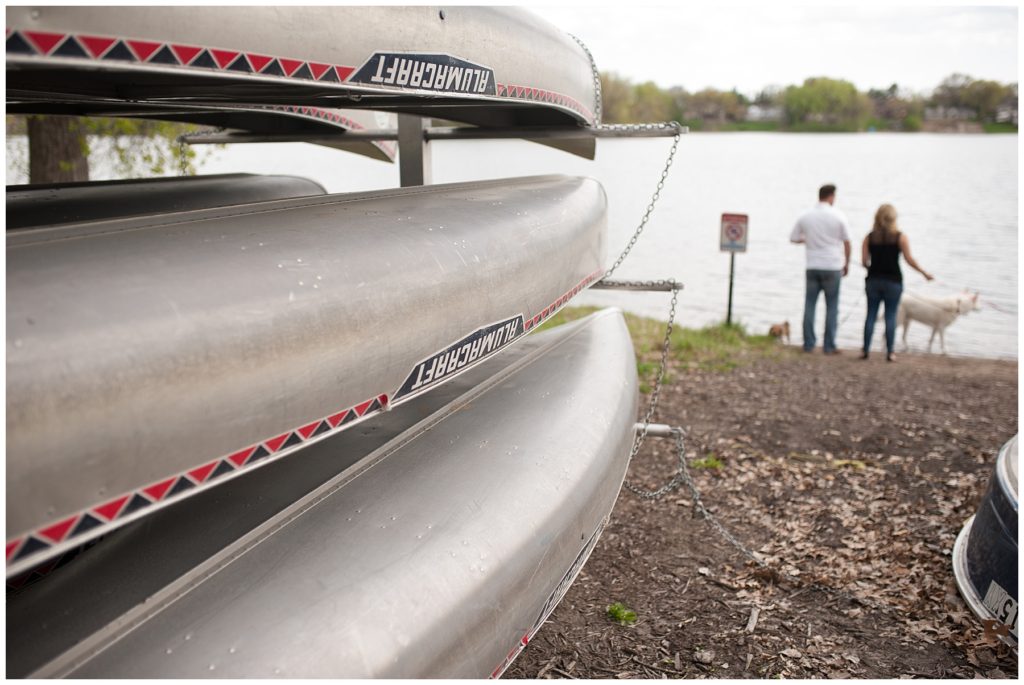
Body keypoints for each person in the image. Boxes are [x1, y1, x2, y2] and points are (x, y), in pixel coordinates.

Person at [860, 204, 933, 361]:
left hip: (873, 281)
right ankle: (890, 352)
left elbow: (864, 261)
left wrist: (870, 265)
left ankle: (865, 350)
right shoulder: (900, 237)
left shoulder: (869, 237)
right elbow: (909, 260)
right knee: (891, 316)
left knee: (871, 315)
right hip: (893, 282)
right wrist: (924, 273)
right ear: (894, 218)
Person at [790, 184, 851, 354]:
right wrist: (847, 263)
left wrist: (808, 240)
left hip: (812, 265)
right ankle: (829, 345)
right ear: (831, 196)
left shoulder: (806, 216)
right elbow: (847, 241)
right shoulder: (839, 216)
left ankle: (809, 343)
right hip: (832, 266)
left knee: (810, 304)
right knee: (832, 306)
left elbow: (793, 238)